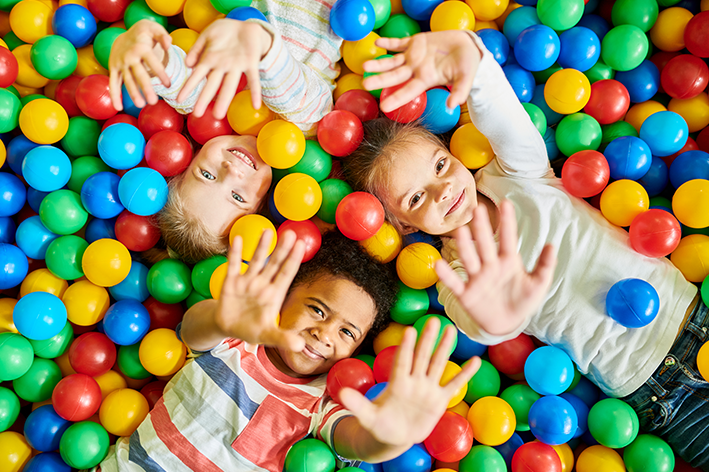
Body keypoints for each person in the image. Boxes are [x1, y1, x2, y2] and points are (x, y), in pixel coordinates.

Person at [342, 29, 708, 469]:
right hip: (655, 391)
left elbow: (498, 109)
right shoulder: (450, 277)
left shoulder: (518, 175)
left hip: (694, 312)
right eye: (416, 199)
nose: (442, 191)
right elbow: (485, 325)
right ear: (401, 225)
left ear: (450, 151)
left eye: (440, 166)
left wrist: (469, 60)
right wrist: (500, 317)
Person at [95, 229, 483, 471]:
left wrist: (393, 436)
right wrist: (224, 319)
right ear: (281, 298)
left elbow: (357, 441)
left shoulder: (322, 404)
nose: (325, 333)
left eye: (347, 332)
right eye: (317, 309)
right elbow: (195, 332)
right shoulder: (236, 341)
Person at [107, 6, 342, 262]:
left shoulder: (214, 105)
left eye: (207, 174)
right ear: (261, 206)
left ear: (188, 160)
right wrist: (261, 47)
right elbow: (298, 98)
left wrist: (143, 54)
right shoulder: (302, 131)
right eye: (237, 196)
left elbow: (176, 82)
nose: (231, 171)